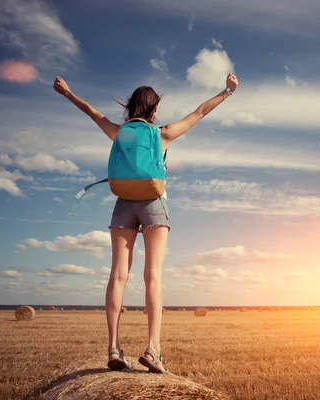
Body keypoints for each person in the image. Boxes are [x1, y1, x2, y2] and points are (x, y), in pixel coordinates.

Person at [53, 73, 239, 373]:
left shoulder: (119, 132)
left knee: (117, 276)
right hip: (154, 202)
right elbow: (200, 112)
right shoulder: (162, 134)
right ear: (154, 109)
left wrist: (68, 93)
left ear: (129, 108)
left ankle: (113, 347)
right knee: (152, 276)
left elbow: (93, 112)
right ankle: (153, 350)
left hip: (123, 202)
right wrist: (227, 91)